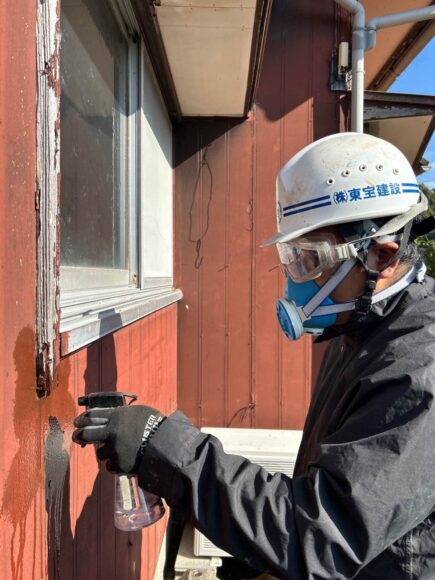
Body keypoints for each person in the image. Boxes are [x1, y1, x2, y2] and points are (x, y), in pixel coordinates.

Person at [73, 132, 435, 579]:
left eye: (311, 260)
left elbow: (324, 536)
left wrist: (161, 448)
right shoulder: (361, 329)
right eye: (291, 257)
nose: (294, 281)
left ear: (380, 256)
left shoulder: (419, 365)